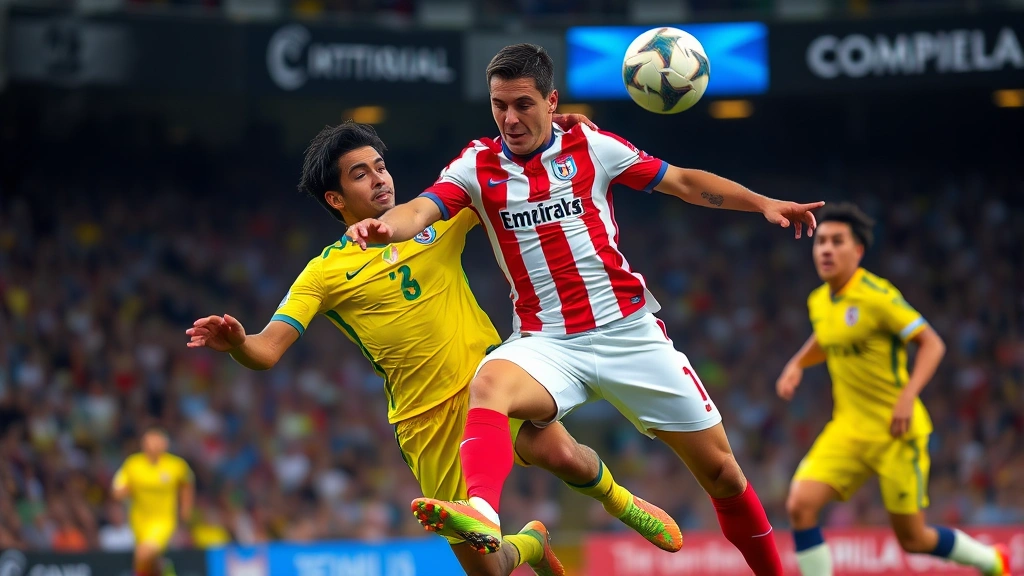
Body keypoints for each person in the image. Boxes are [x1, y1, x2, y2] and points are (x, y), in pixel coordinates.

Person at [345, 42, 823, 576]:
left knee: (723, 475)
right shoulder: (476, 166)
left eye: (523, 104)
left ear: (551, 101)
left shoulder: (591, 145)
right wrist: (388, 227)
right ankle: (481, 509)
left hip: (628, 331)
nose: (509, 117)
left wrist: (763, 202)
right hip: (546, 342)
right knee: (490, 383)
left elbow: (684, 181)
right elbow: (421, 209)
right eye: (499, 105)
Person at [186, 120, 683, 576]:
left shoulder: (437, 219)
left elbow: (499, 179)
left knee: (563, 455)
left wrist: (555, 131)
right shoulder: (323, 274)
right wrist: (237, 343)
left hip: (491, 381)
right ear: (336, 200)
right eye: (361, 175)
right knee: (488, 570)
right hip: (424, 422)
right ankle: (531, 544)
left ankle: (622, 504)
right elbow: (267, 351)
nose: (380, 179)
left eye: (380, 166)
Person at [775, 203, 1012, 576]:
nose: (826, 250)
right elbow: (827, 335)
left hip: (895, 431)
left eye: (837, 242)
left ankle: (991, 560)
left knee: (913, 539)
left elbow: (932, 343)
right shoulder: (818, 300)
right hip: (848, 429)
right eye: (820, 241)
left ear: (858, 252)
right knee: (800, 504)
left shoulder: (877, 296)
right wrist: (797, 364)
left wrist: (908, 396)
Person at [112, 427, 194, 576]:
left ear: (165, 444)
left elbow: (187, 484)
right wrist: (124, 491)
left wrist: (185, 508)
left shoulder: (176, 465)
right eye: (150, 441)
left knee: (142, 554)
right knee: (151, 562)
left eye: (157, 441)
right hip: (139, 520)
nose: (153, 445)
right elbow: (117, 489)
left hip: (163, 520)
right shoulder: (133, 464)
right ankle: (166, 570)